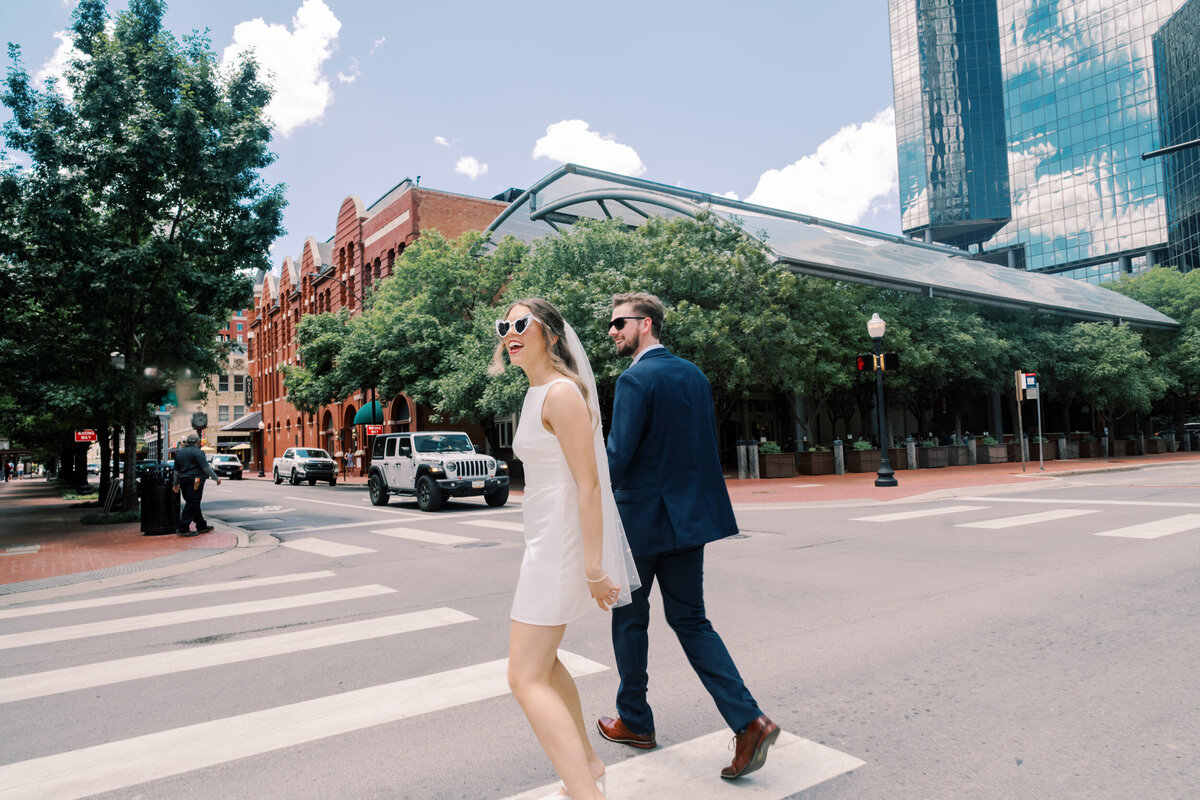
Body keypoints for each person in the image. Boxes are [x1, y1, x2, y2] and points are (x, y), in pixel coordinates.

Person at [597, 292, 780, 780]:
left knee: (629, 620)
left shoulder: (635, 379)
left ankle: (635, 721)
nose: (612, 332)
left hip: (640, 523)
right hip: (687, 522)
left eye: (620, 323)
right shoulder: (694, 376)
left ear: (647, 324)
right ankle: (748, 721)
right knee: (693, 622)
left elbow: (618, 457)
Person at [491, 297, 639, 800]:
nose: (510, 333)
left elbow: (590, 484)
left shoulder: (561, 394)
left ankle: (585, 793)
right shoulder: (536, 394)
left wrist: (594, 566)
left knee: (523, 676)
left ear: (550, 334)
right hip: (542, 536)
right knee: (545, 664)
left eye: (520, 324)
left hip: (560, 541)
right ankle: (591, 764)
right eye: (504, 326)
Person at [172, 433, 220, 536]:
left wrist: (175, 483)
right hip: (196, 480)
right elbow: (206, 468)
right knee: (193, 502)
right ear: (197, 442)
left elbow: (176, 471)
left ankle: (201, 526)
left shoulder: (180, 453)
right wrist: (216, 478)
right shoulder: (198, 452)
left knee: (193, 502)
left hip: (184, 481)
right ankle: (183, 528)